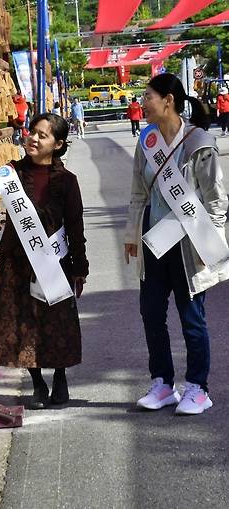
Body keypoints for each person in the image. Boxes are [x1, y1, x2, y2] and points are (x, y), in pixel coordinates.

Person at [0, 113, 89, 409]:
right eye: (33, 132)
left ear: (57, 144)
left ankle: (59, 377)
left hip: (55, 260)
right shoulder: (12, 172)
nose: (33, 138)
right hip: (18, 263)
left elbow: (75, 226)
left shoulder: (67, 182)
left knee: (57, 322)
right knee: (25, 323)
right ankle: (37, 383)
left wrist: (80, 269)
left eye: (43, 135)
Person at [124, 73, 229, 415]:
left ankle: (198, 388)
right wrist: (130, 235)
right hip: (154, 242)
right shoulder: (147, 140)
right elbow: (139, 192)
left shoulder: (199, 142)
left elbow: (216, 199)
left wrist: (210, 241)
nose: (143, 102)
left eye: (148, 96)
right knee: (151, 314)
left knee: (191, 318)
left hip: (189, 247)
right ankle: (163, 384)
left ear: (168, 100)